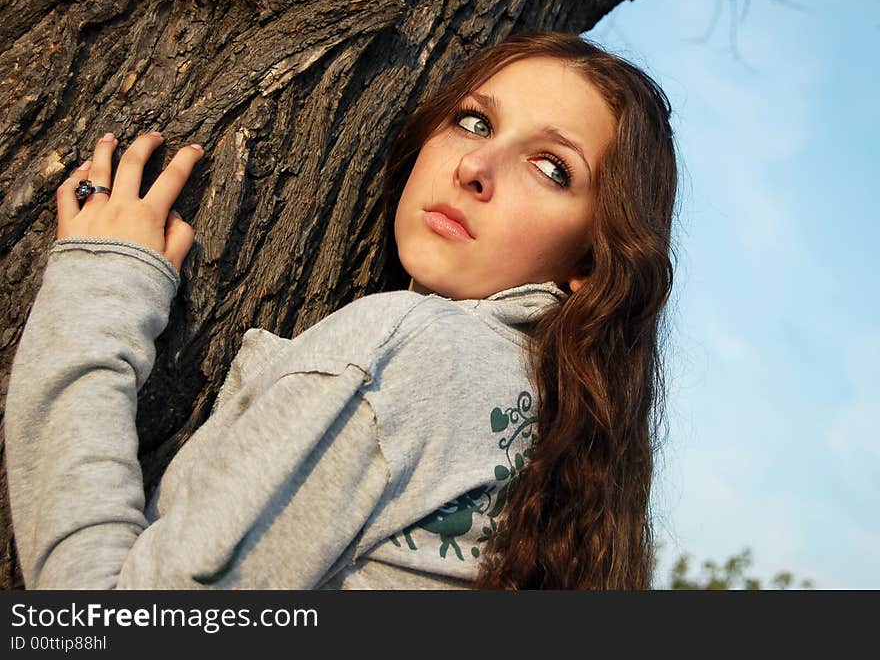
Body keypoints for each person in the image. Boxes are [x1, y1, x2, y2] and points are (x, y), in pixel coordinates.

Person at [4, 30, 677, 590]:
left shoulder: (408, 351)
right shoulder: (556, 445)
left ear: (590, 263)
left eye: (551, 167)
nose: (477, 163)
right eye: (475, 121)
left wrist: (100, 287)